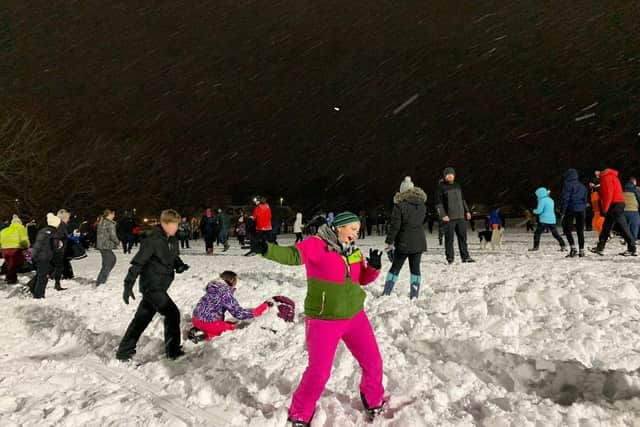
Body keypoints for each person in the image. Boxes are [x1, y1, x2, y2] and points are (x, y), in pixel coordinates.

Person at [250, 211, 385, 426]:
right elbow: (293, 255)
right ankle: (300, 414)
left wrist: (374, 269)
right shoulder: (317, 244)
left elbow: (361, 279)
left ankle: (374, 400)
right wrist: (266, 249)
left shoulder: (354, 252)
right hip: (324, 319)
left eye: (357, 231)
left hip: (355, 316)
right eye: (352, 229)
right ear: (339, 227)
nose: (355, 234)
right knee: (319, 372)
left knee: (374, 362)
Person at [116, 209, 190, 361]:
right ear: (165, 224)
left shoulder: (172, 240)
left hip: (161, 285)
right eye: (175, 224)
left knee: (141, 319)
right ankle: (173, 351)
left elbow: (172, 256)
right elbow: (138, 263)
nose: (177, 227)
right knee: (172, 313)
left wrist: (179, 265)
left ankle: (124, 351)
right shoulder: (152, 240)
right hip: (152, 286)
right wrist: (128, 285)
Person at [189, 271, 272, 341]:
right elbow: (238, 313)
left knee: (224, 324)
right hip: (208, 323)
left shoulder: (213, 287)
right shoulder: (225, 292)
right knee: (231, 329)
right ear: (232, 280)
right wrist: (259, 310)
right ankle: (205, 335)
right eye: (236, 280)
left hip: (195, 319)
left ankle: (198, 330)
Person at [383, 177, 427, 299]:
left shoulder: (400, 206)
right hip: (419, 241)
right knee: (415, 268)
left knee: (395, 267)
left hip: (403, 242)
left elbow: (395, 226)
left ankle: (387, 292)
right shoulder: (422, 205)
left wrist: (389, 242)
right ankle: (414, 294)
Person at [590, 169, 637, 256]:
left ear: (601, 171)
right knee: (606, 227)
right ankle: (600, 247)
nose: (596, 174)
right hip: (617, 204)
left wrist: (605, 208)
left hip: (614, 205)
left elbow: (609, 194)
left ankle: (632, 247)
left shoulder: (606, 178)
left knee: (622, 227)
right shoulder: (611, 177)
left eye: (596, 172)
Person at [435, 167, 474, 263]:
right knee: (449, 239)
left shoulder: (457, 185)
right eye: (448, 175)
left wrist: (467, 211)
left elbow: (463, 200)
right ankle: (450, 258)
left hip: (460, 216)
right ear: (445, 176)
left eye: (451, 175)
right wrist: (443, 215)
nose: (450, 176)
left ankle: (465, 257)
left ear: (454, 176)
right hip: (449, 218)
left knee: (463, 238)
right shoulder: (441, 187)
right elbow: (438, 203)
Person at [30, 213, 64, 298]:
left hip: (36, 254)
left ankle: (32, 288)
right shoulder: (54, 232)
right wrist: (60, 245)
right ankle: (38, 295)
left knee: (40, 274)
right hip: (44, 256)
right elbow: (55, 246)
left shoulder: (42, 230)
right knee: (43, 277)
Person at [559, 169, 588, 258]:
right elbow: (585, 199)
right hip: (581, 210)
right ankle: (582, 250)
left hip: (570, 209)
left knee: (567, 229)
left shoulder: (567, 185)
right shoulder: (582, 186)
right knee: (580, 230)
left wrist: (563, 211)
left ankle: (573, 248)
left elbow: (565, 198)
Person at [0, 215, 30, 284]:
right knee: (16, 264)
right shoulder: (21, 228)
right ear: (20, 223)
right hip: (15, 249)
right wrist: (26, 247)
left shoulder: (4, 230)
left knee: (9, 264)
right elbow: (24, 240)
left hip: (4, 249)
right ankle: (11, 278)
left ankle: (10, 277)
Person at [96, 209, 120, 286]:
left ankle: (102, 278)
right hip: (105, 245)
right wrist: (118, 242)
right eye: (113, 214)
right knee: (109, 261)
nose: (114, 216)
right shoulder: (109, 223)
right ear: (109, 214)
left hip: (102, 245)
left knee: (110, 260)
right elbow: (112, 235)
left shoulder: (102, 221)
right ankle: (100, 281)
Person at [623, 176, 640, 241]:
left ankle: (627, 239)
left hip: (623, 210)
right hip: (633, 210)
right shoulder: (635, 189)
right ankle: (633, 239)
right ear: (633, 181)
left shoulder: (623, 189)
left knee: (626, 226)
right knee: (635, 225)